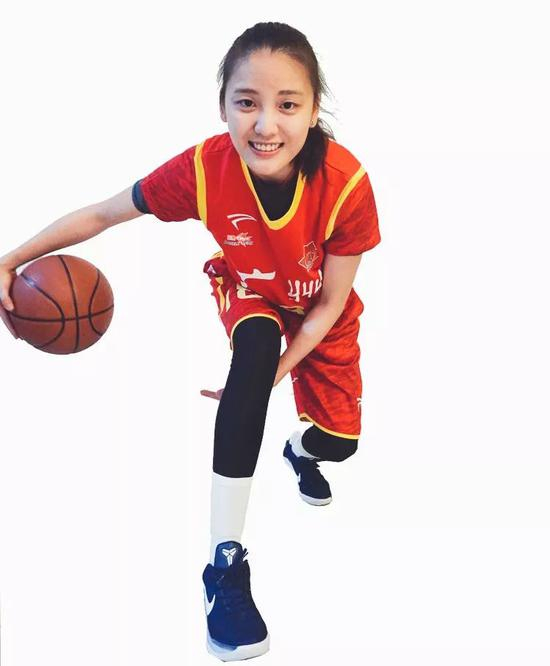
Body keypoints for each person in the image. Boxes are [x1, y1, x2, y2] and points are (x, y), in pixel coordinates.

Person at [0, 21, 380, 663]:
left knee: (339, 444)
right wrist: (10, 259)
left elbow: (331, 305)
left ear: (315, 108)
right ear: (223, 104)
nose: (265, 124)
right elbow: (102, 213)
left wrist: (279, 375)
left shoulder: (346, 184)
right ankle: (224, 565)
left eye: (288, 104)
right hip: (251, 290)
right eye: (246, 102)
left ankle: (300, 448)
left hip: (322, 315)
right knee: (254, 350)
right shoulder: (204, 169)